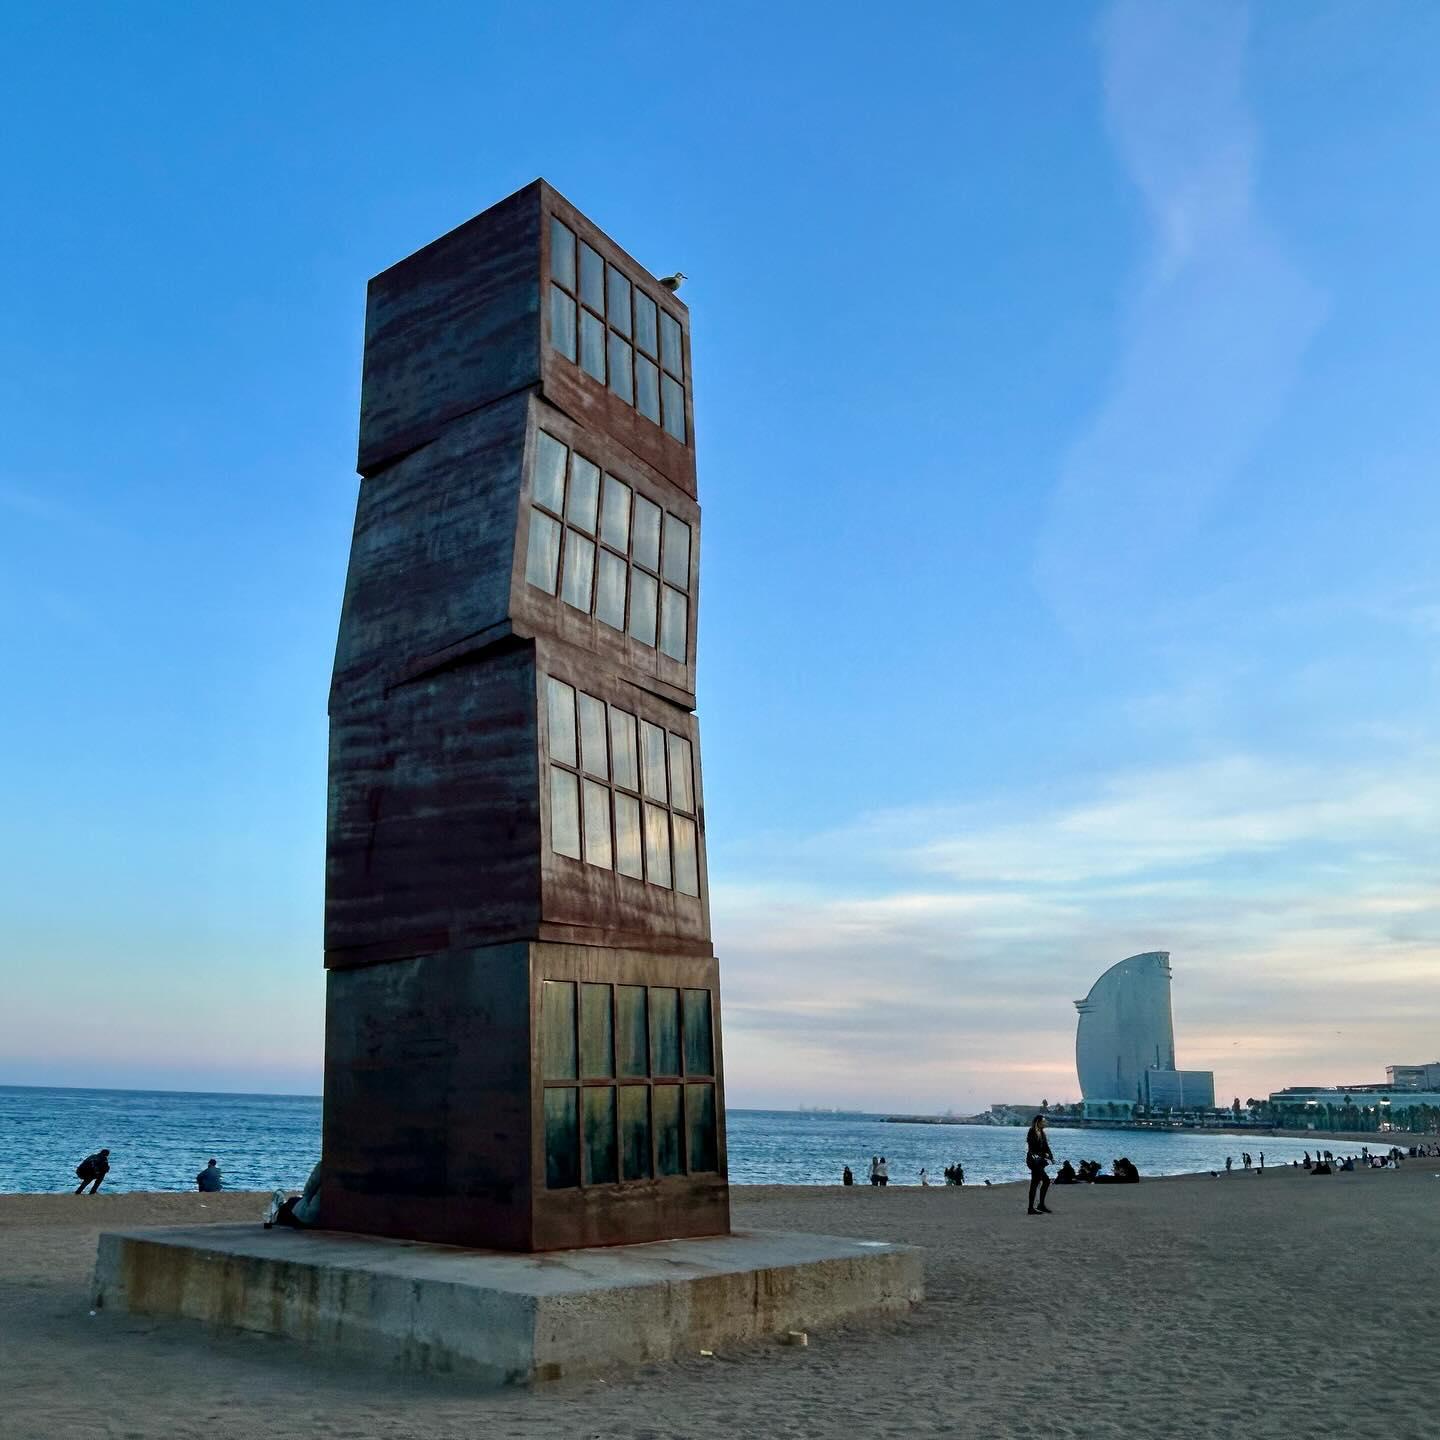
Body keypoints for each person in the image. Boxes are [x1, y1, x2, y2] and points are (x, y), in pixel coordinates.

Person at [1025, 1114, 1053, 1215]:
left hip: (1040, 1161)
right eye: (1043, 1121)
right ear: (1038, 1122)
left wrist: (1051, 1156)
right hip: (1033, 1161)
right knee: (1039, 1182)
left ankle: (1039, 1205)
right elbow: (1032, 1149)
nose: (1045, 1123)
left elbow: (1046, 1146)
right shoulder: (1032, 1132)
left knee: (1040, 1181)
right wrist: (1044, 1155)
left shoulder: (1042, 1132)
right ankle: (1032, 1208)